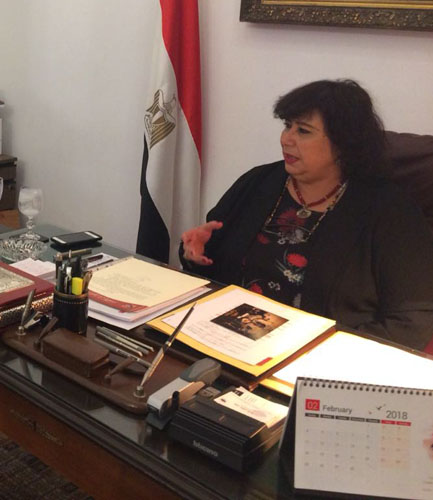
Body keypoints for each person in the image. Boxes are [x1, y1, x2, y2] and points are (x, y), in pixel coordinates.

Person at [180, 79, 433, 351]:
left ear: (343, 143)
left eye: (303, 131)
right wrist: (195, 255)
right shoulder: (257, 183)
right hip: (226, 339)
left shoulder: (389, 210)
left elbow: (412, 321)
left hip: (320, 356)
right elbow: (213, 272)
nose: (286, 139)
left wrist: (325, 352)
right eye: (287, 125)